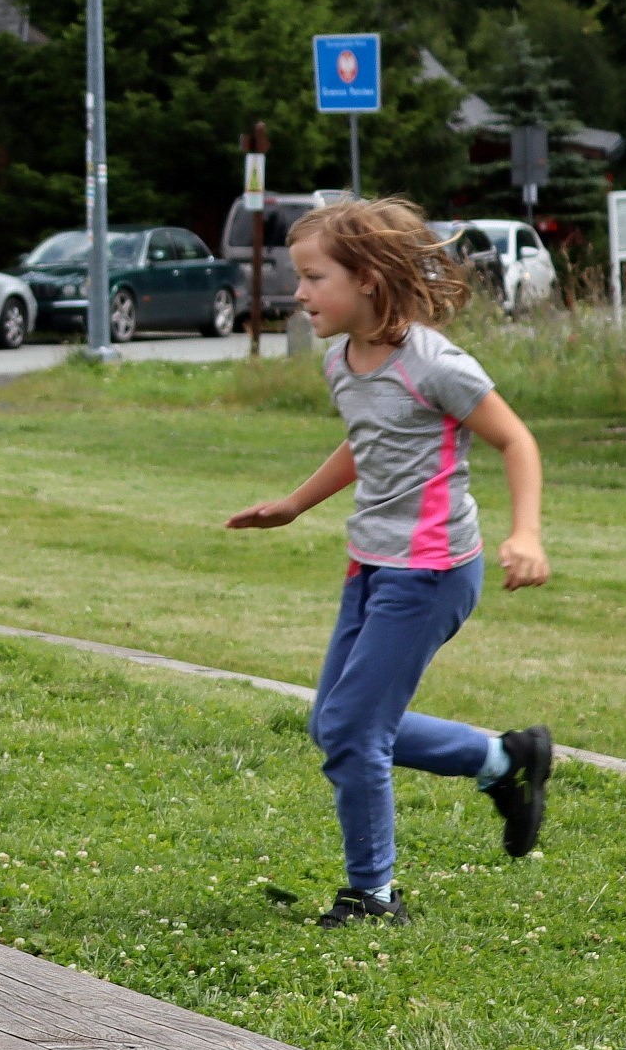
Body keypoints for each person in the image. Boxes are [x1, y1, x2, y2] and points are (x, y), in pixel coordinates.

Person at [227, 197, 554, 928]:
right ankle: (506, 761)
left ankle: (374, 896)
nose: (300, 293)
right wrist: (294, 504)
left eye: (314, 278)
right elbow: (366, 441)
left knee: (351, 730)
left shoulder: (435, 364)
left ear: (368, 278)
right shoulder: (341, 361)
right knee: (336, 726)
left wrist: (525, 534)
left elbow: (516, 440)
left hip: (432, 571)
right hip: (370, 565)